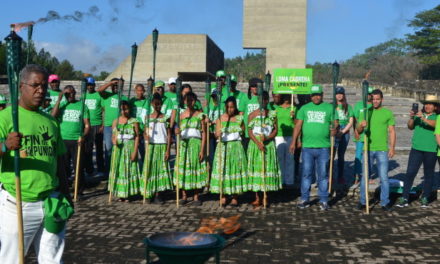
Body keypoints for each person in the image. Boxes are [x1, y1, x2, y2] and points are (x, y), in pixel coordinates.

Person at [0, 64, 70, 263]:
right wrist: (5, 146)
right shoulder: (6, 117)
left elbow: (59, 160)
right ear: (22, 86)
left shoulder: (51, 121)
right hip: (18, 203)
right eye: (35, 85)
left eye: (44, 86)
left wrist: (65, 193)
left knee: (52, 260)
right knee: (12, 259)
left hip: (51, 201)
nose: (40, 90)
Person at [290, 84, 337, 211]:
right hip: (307, 147)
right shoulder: (304, 109)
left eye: (318, 95)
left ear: (322, 95)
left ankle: (323, 200)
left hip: (324, 147)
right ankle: (305, 199)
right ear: (310, 96)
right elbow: (298, 126)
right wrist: (294, 141)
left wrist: (334, 128)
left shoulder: (329, 108)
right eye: (314, 95)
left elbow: (335, 124)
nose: (316, 97)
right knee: (306, 174)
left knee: (322, 175)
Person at [356, 89, 396, 211]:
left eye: (378, 99)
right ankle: (363, 201)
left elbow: (392, 131)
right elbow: (358, 131)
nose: (375, 101)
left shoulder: (388, 113)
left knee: (383, 177)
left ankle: (385, 202)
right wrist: (360, 126)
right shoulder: (365, 112)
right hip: (367, 149)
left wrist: (392, 147)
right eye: (373, 99)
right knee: (365, 177)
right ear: (370, 100)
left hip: (382, 150)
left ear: (382, 99)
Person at [397, 95, 438, 208]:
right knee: (410, 173)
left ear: (435, 107)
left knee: (428, 174)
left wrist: (423, 118)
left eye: (430, 104)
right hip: (416, 149)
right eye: (426, 104)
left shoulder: (437, 117)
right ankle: (404, 197)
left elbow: (434, 125)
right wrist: (411, 117)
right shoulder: (419, 115)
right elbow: (410, 126)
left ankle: (425, 197)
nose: (427, 106)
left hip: (431, 150)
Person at [210, 97, 248, 206]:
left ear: (235, 107)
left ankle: (235, 196)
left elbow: (243, 131)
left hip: (236, 146)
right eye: (228, 107)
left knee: (234, 170)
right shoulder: (220, 118)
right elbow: (216, 133)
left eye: (232, 107)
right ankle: (223, 195)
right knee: (223, 171)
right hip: (223, 147)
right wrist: (219, 133)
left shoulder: (239, 118)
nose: (230, 109)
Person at [52, 85, 90, 193]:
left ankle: (79, 188)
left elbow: (87, 124)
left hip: (77, 140)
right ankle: (65, 187)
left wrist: (83, 136)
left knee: (78, 165)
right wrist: (60, 99)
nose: (71, 95)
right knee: (64, 167)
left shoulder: (82, 105)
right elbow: (53, 115)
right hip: (63, 140)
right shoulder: (62, 105)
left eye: (73, 93)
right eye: (68, 93)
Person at [247, 91, 281, 207]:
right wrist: (258, 142)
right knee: (257, 170)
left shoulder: (272, 114)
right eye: (261, 100)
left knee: (266, 169)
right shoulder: (252, 115)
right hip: (256, 145)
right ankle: (257, 197)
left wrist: (266, 138)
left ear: (267, 100)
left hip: (268, 143)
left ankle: (266, 195)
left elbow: (275, 130)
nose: (263, 102)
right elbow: (249, 131)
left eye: (265, 99)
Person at [175, 92, 207, 205]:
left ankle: (196, 196)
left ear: (195, 101)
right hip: (184, 145)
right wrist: (177, 132)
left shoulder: (200, 115)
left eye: (192, 100)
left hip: (196, 143)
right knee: (184, 169)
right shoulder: (181, 115)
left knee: (195, 169)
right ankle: (184, 195)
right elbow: (177, 131)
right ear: (184, 101)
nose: (190, 102)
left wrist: (202, 149)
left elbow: (204, 133)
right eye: (187, 100)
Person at [142, 94, 173, 204]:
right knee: (150, 169)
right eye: (155, 104)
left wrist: (168, 149)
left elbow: (169, 134)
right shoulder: (147, 118)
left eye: (159, 104)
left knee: (160, 169)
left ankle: (158, 194)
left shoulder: (165, 118)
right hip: (151, 146)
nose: (157, 106)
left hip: (162, 146)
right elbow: (144, 132)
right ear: (151, 104)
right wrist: (145, 136)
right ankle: (148, 192)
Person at [108, 101, 141, 202]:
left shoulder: (134, 121)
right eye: (122, 109)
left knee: (128, 169)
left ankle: (128, 193)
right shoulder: (115, 121)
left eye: (126, 109)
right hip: (119, 149)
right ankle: (120, 193)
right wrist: (114, 141)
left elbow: (137, 137)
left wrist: (135, 151)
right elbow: (113, 136)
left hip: (129, 147)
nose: (124, 111)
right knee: (119, 169)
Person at [97, 78, 127, 178]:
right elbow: (99, 90)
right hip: (108, 127)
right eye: (114, 86)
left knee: (120, 148)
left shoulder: (124, 98)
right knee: (108, 149)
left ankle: (119, 170)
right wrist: (111, 82)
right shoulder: (107, 96)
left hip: (120, 126)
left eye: (117, 85)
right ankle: (108, 172)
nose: (115, 87)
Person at [272, 94, 296, 188]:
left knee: (290, 159)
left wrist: (293, 117)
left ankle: (289, 181)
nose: (286, 98)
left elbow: (297, 123)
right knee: (280, 158)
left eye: (288, 96)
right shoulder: (277, 108)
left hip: (290, 135)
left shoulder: (294, 108)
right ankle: (280, 180)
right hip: (279, 136)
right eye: (285, 96)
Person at [84, 77, 105, 177]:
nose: (90, 86)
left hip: (98, 125)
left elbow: (104, 109)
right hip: (87, 126)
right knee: (88, 149)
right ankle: (89, 170)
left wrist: (103, 124)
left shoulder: (98, 95)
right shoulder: (83, 96)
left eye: (91, 85)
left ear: (94, 85)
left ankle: (101, 169)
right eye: (88, 85)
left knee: (99, 149)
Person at [353, 86, 373, 184]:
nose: (368, 96)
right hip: (360, 135)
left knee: (369, 157)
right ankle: (357, 175)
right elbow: (355, 120)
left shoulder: (374, 106)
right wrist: (356, 131)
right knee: (358, 155)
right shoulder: (358, 105)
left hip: (371, 137)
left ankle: (368, 176)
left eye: (370, 94)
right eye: (367, 94)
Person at [334, 87, 354, 186]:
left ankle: (340, 176)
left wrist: (343, 131)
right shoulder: (332, 106)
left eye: (341, 93)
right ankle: (329, 176)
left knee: (341, 156)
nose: (339, 95)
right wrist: (335, 130)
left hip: (345, 131)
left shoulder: (348, 107)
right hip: (334, 130)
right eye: (337, 93)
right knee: (331, 155)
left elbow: (351, 122)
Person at [243, 78, 263, 149]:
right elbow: (241, 114)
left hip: (260, 133)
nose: (255, 88)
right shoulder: (245, 98)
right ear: (250, 88)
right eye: (253, 86)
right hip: (248, 133)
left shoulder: (263, 99)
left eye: (257, 86)